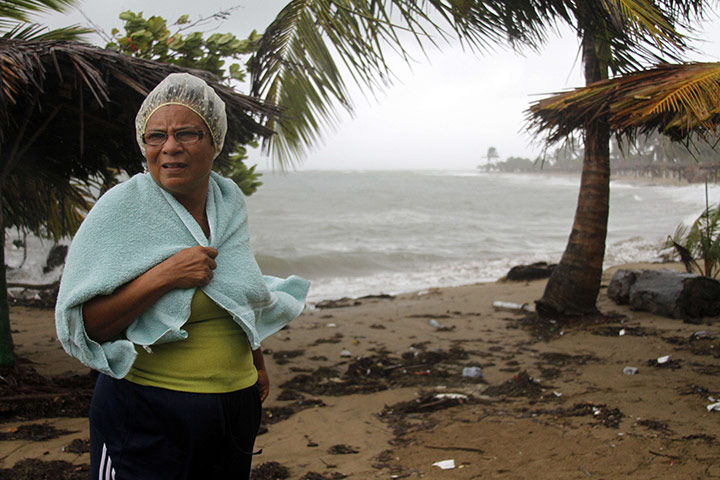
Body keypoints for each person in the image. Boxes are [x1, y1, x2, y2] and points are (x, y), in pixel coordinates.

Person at [55, 72, 309, 480]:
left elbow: (238, 289)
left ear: (214, 143)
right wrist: (165, 275)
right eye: (155, 136)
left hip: (234, 407)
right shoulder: (122, 208)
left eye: (187, 133)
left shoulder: (227, 202)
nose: (170, 147)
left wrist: (256, 362)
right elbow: (86, 326)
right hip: (148, 410)